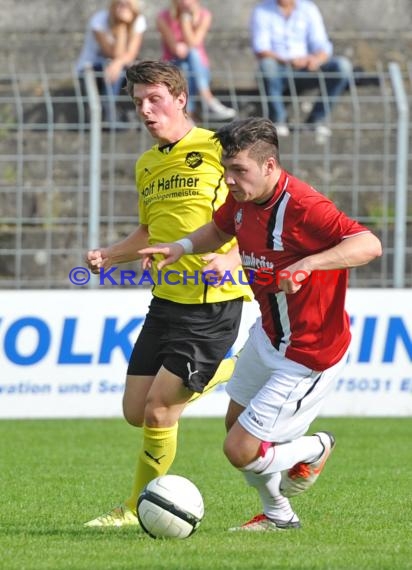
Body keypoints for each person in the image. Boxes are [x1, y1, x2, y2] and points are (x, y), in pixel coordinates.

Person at [139, 116, 382, 531]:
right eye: (226, 169)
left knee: (240, 449)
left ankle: (314, 448)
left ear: (269, 166)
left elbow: (369, 244)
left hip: (308, 352)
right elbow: (218, 229)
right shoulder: (244, 199)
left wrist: (309, 263)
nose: (229, 180)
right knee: (236, 426)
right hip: (269, 336)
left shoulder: (305, 206)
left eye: (239, 170)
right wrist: (180, 246)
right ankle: (279, 516)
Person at [84, 61, 252, 527]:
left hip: (212, 302)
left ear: (180, 98)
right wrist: (111, 255)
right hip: (165, 301)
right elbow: (148, 230)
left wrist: (235, 261)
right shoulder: (147, 163)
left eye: (154, 98)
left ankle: (134, 510)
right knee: (135, 412)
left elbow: (259, 212)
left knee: (161, 412)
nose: (145, 110)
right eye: (138, 101)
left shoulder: (220, 149)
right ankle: (228, 370)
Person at [251, 0, 353, 138]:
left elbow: (323, 45)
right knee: (267, 66)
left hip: (307, 68)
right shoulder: (262, 11)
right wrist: (287, 60)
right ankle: (278, 120)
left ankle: (316, 120)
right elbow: (261, 48)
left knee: (342, 66)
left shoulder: (308, 9)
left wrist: (315, 60)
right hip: (279, 68)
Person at [156, 0, 236, 121]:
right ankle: (208, 99)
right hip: (173, 64)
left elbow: (194, 42)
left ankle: (188, 114)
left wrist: (185, 21)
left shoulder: (205, 15)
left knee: (190, 60)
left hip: (199, 68)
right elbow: (175, 49)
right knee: (186, 65)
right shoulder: (163, 17)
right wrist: (184, 19)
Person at [76, 0, 147, 125]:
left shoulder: (139, 21)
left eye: (127, 5)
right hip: (92, 66)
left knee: (121, 69)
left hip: (118, 66)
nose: (122, 8)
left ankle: (110, 108)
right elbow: (111, 53)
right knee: (115, 68)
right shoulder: (99, 21)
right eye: (119, 4)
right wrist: (121, 27)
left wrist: (118, 63)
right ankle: (108, 108)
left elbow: (131, 53)